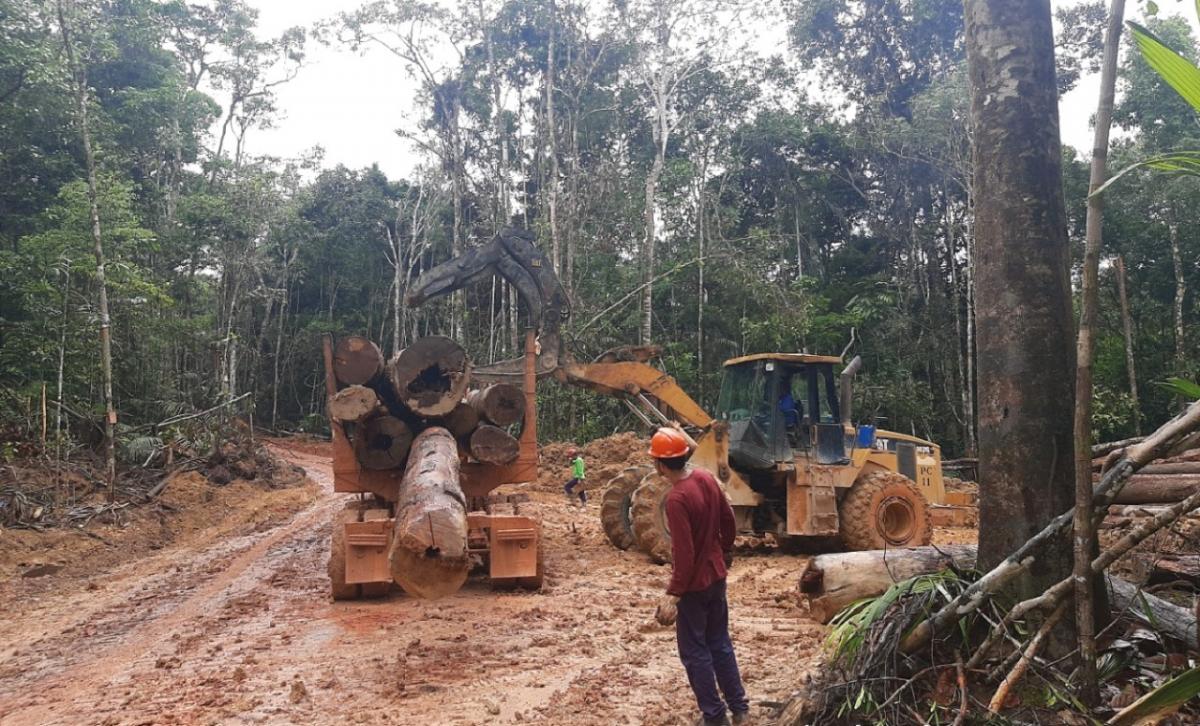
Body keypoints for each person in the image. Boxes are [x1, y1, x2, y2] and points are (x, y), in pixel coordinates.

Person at [650, 427, 750, 726]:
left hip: (694, 587)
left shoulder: (676, 499)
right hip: (717, 577)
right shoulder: (705, 478)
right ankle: (739, 708)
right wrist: (725, 549)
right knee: (719, 641)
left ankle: (714, 716)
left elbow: (684, 554)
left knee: (695, 652)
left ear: (660, 464)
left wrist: (674, 593)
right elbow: (728, 520)